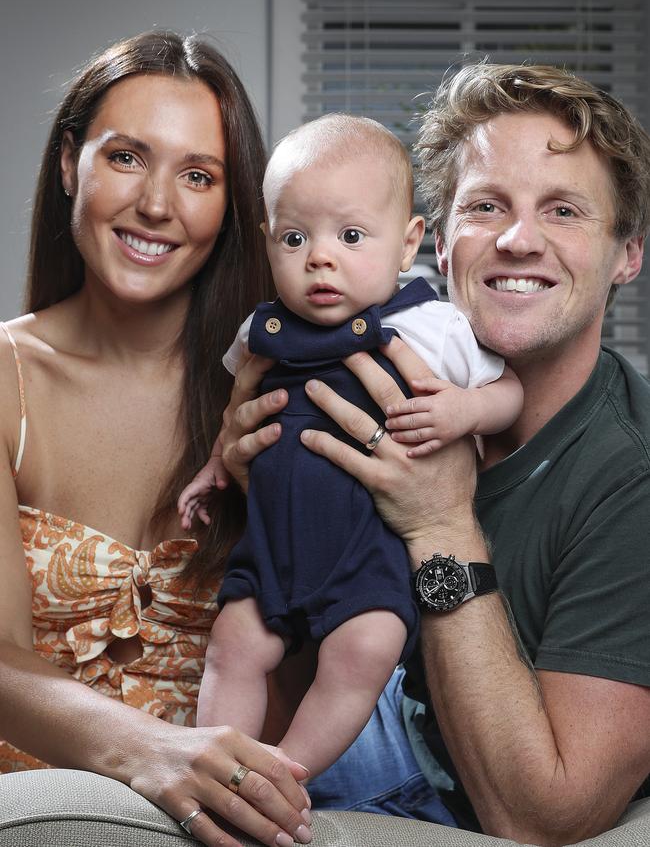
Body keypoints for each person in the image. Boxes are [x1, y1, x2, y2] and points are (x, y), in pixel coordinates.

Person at [215, 63, 650, 846]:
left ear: (628, 252)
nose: (519, 239)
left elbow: (547, 815)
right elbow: (288, 697)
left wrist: (442, 522)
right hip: (352, 742)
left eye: (564, 209)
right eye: (487, 206)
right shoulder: (373, 363)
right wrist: (269, 492)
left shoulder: (632, 475)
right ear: (438, 245)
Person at [0, 30, 314, 847]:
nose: (158, 205)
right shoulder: (6, 376)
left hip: (239, 808)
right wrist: (149, 747)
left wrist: (278, 498)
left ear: (232, 203)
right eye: (127, 157)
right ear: (71, 163)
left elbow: (321, 658)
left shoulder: (278, 387)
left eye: (199, 176)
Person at [177, 113, 523, 779]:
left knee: (363, 651)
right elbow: (235, 418)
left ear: (408, 243)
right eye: (295, 237)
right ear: (267, 242)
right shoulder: (264, 326)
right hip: (272, 542)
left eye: (352, 235)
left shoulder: (431, 325)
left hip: (367, 551)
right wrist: (213, 467)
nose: (320, 257)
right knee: (231, 645)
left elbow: (508, 393)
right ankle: (221, 766)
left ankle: (285, 772)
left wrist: (467, 409)